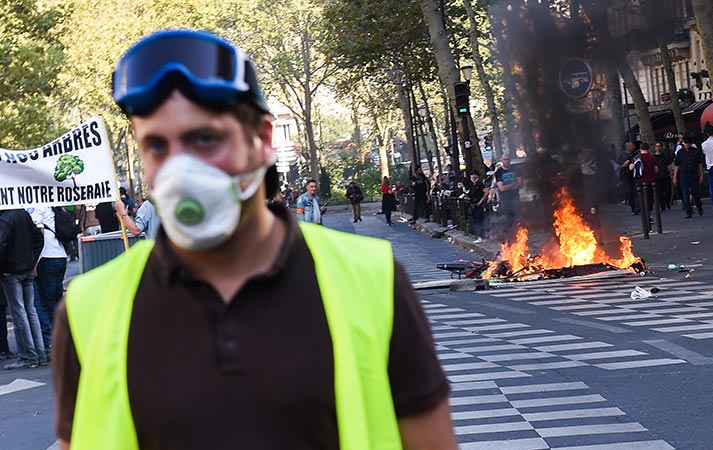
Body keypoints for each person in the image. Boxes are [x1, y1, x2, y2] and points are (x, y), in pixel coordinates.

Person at [52, 29, 455, 450]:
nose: (180, 170)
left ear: (263, 140)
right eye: (156, 146)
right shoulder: (88, 308)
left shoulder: (373, 281)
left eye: (205, 139)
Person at [0, 209, 46, 369]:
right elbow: (39, 238)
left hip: (12, 273)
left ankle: (29, 357)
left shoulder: (4, 221)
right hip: (27, 269)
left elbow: (1, 247)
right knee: (30, 312)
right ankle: (39, 354)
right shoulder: (22, 214)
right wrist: (33, 261)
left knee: (20, 314)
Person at [29, 206, 69, 349]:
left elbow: (39, 234)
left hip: (46, 257)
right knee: (57, 299)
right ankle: (65, 334)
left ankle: (55, 338)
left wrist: (34, 263)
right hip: (61, 255)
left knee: (47, 302)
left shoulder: (35, 207)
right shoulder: (52, 206)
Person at [673, 133, 704, 218]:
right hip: (683, 174)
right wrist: (675, 177)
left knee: (696, 193)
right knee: (685, 193)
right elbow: (677, 165)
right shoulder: (680, 152)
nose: (687, 145)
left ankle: (699, 206)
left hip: (693, 174)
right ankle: (688, 211)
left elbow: (699, 163)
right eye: (686, 143)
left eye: (688, 143)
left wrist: (701, 174)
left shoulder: (695, 151)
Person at [494, 153, 524, 225]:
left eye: (508, 159)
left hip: (515, 197)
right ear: (501, 160)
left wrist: (507, 187)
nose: (506, 161)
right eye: (504, 160)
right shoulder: (499, 172)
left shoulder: (517, 169)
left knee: (517, 215)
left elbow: (520, 184)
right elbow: (502, 188)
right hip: (504, 199)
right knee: (507, 218)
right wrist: (513, 184)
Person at [630, 142, 658, 218]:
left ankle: (644, 214)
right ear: (648, 149)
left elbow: (631, 168)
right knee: (649, 198)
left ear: (640, 149)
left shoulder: (636, 158)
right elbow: (656, 169)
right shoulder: (652, 157)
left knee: (641, 198)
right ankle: (649, 213)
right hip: (650, 181)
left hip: (639, 181)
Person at [466, 170, 489, 243]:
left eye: (475, 175)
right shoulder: (471, 185)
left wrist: (481, 201)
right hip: (473, 205)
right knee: (476, 220)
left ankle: (481, 236)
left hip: (478, 205)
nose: (473, 176)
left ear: (478, 176)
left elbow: (487, 192)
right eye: (472, 175)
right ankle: (481, 236)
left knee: (479, 220)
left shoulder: (480, 184)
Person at [617, 141, 639, 215]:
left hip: (635, 175)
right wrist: (623, 165)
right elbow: (617, 166)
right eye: (632, 146)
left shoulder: (635, 154)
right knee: (629, 192)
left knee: (636, 191)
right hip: (626, 176)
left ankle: (637, 207)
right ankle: (633, 207)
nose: (634, 147)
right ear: (628, 147)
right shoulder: (622, 155)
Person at [653, 142, 673, 211]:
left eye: (659, 146)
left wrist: (671, 174)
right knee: (660, 192)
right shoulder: (653, 157)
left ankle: (667, 202)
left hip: (665, 175)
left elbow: (669, 165)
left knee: (668, 191)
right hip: (657, 177)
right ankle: (662, 206)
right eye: (657, 146)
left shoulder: (665, 156)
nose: (658, 148)